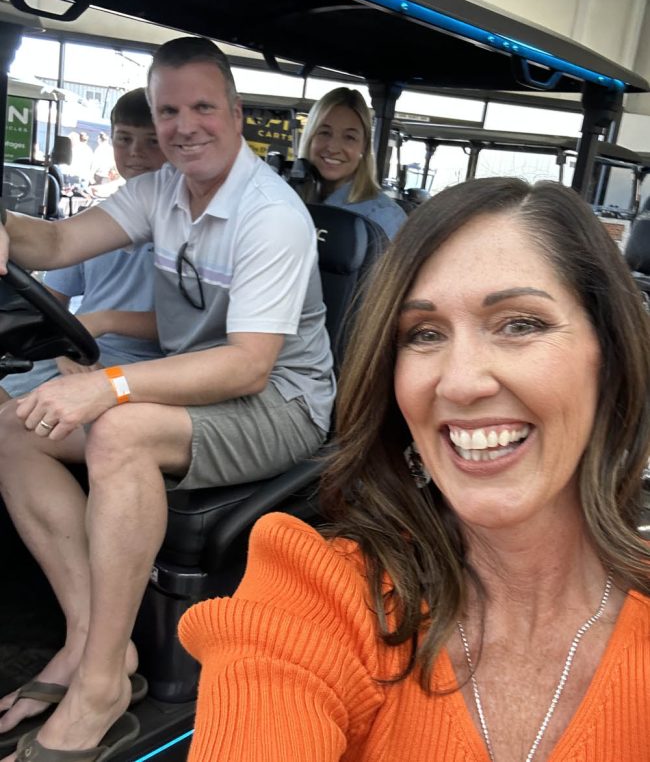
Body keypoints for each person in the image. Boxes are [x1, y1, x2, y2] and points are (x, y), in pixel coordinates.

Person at [179, 177, 650, 761]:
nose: (460, 383)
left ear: (609, 356)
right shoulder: (318, 593)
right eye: (424, 335)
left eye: (520, 324)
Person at [0, 36, 334, 761]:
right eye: (169, 112)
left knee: (119, 431)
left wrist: (107, 386)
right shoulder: (162, 192)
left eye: (202, 107)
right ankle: (95, 642)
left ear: (236, 114)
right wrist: (4, 226)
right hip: (201, 387)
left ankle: (99, 687)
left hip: (283, 406)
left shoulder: (270, 214)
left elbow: (248, 367)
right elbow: (54, 245)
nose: (185, 126)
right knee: (15, 426)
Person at [0, 89, 164, 403]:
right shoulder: (93, 222)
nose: (135, 152)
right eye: (124, 139)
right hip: (79, 348)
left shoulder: (188, 224)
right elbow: (53, 290)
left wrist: (103, 320)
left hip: (146, 363)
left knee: (22, 419)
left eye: (152, 141)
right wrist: (60, 346)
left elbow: (189, 324)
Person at [298, 87, 406, 238]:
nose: (333, 148)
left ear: (364, 147)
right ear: (310, 138)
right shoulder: (290, 198)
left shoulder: (383, 216)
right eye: (325, 133)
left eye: (349, 137)